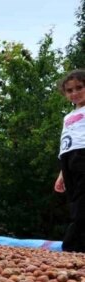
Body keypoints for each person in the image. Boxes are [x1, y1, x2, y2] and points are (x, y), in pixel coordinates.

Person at [55, 69, 85, 252]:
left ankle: (74, 246)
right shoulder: (68, 117)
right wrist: (61, 174)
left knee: (83, 200)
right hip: (68, 159)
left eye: (79, 88)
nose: (74, 93)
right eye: (69, 90)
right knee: (74, 200)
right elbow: (66, 143)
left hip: (83, 155)